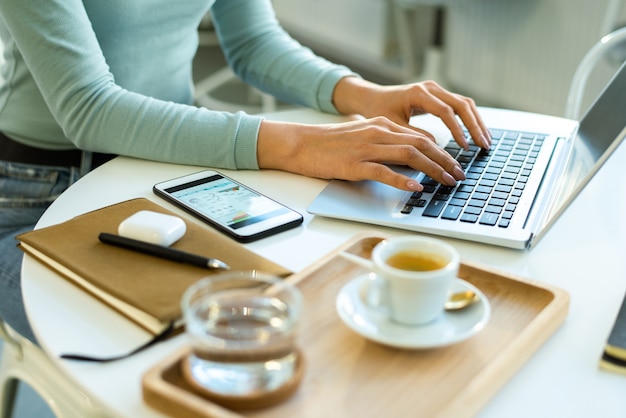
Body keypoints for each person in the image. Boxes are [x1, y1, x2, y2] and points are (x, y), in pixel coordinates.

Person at [0, 0, 491, 343]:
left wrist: (365, 95)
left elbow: (253, 42)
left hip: (168, 168)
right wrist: (298, 145)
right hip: (37, 195)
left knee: (284, 302)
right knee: (169, 338)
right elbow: (89, 108)